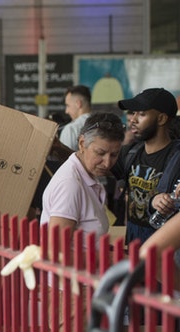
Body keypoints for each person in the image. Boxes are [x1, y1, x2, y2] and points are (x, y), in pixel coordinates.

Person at [41, 112, 124, 237]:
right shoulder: (70, 185)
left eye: (114, 155)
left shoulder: (87, 176)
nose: (107, 163)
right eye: (100, 153)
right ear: (81, 143)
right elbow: (56, 245)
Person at [117, 87, 180, 244]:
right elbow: (89, 163)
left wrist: (167, 202)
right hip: (133, 241)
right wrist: (60, 149)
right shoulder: (130, 153)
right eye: (133, 113)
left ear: (161, 119)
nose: (133, 120)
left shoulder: (177, 158)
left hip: (166, 247)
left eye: (141, 114)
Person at [59, 85, 93, 151]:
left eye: (68, 105)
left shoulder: (71, 129)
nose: (66, 111)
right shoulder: (102, 125)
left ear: (78, 104)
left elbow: (65, 157)